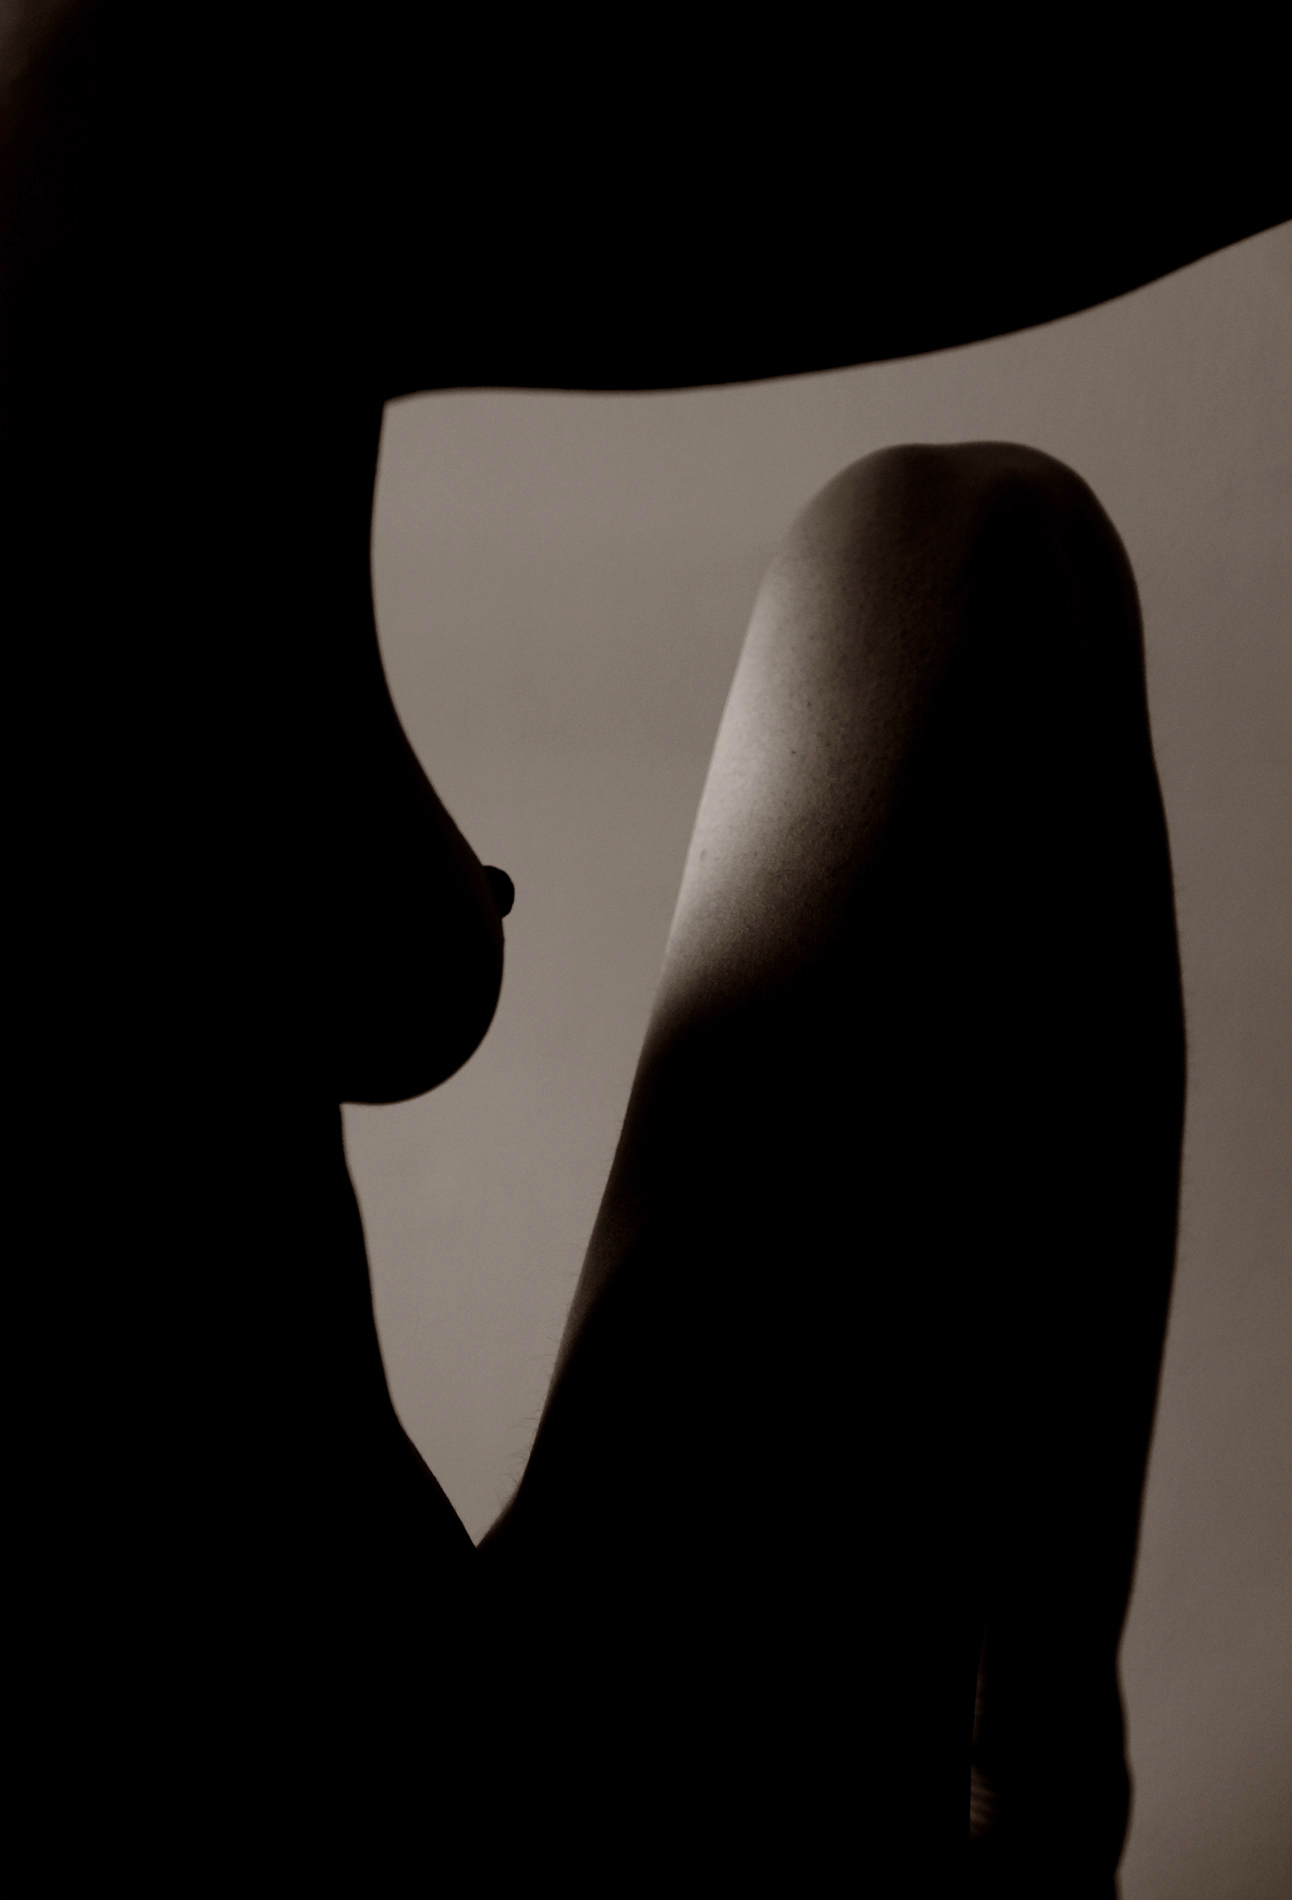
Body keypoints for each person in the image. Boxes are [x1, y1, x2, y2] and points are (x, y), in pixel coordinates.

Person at [3, 3, 1282, 1888]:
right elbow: (389, 958)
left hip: (433, 1730)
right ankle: (1040, 1800)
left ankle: (1041, 1798)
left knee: (960, 546)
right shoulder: (110, 121)